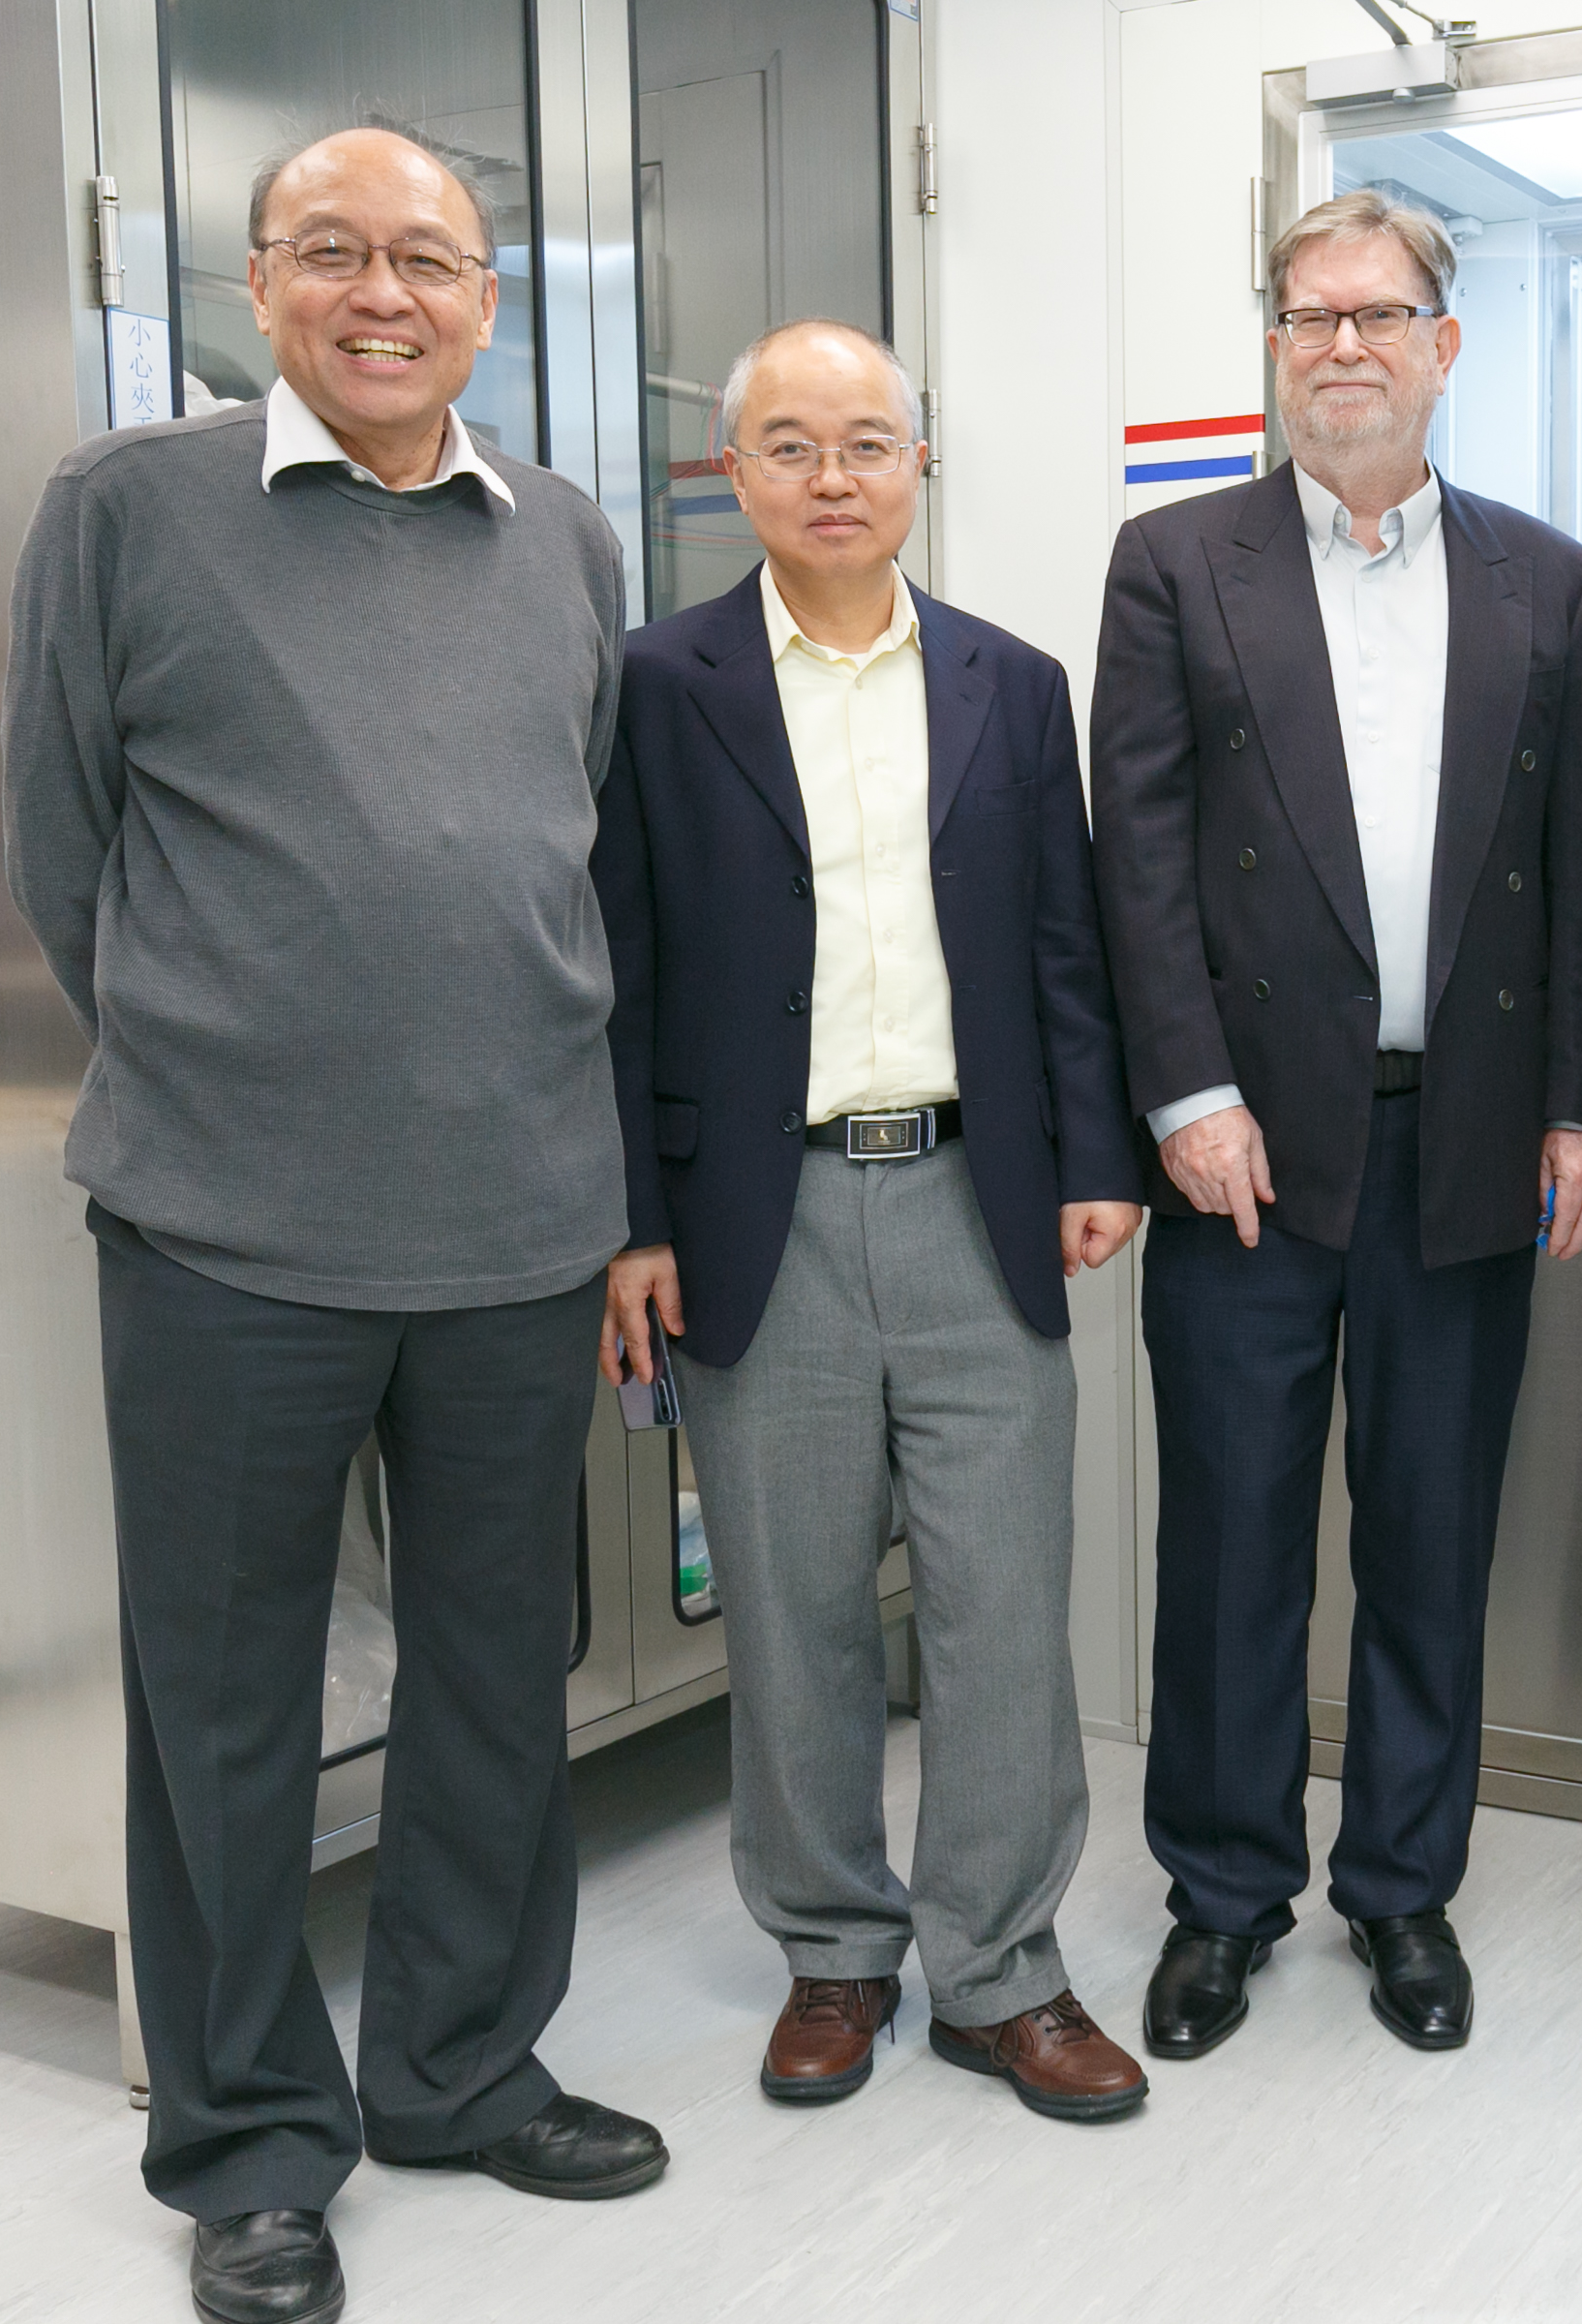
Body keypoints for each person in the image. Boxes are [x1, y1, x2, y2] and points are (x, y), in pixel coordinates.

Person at [5, 125, 663, 2324]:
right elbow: (62, 849)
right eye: (335, 254)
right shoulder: (127, 510)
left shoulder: (563, 541)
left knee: (498, 1676)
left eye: (432, 263)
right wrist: (237, 1058)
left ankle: (465, 2068)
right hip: (224, 1235)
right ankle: (254, 2145)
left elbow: (576, 855)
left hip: (515, 1221)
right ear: (261, 282)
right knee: (227, 1707)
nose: (386, 295)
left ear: (490, 302)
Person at [592, 320, 1149, 2123]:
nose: (833, 476)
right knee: (793, 1602)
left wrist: (1095, 1158)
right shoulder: (658, 688)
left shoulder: (1009, 678)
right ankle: (833, 1952)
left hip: (979, 1195)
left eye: (867, 443)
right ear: (732, 473)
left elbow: (1065, 945)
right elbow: (619, 970)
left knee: (1003, 1605)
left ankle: (1004, 1970)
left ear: (920, 464)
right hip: (762, 1209)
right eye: (790, 444)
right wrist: (637, 1217)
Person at [1091, 190, 1582, 2062]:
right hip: (1243, 1151)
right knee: (1232, 1540)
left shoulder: (1551, 582)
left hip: (1465, 1139)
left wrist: (1577, 1109)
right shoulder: (1176, 565)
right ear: (1274, 342)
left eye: (1380, 316)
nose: (1342, 346)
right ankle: (1223, 1897)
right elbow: (1137, 863)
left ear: (1442, 346)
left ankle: (1403, 1892)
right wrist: (1187, 1095)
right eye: (1308, 315)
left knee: (1428, 1536)